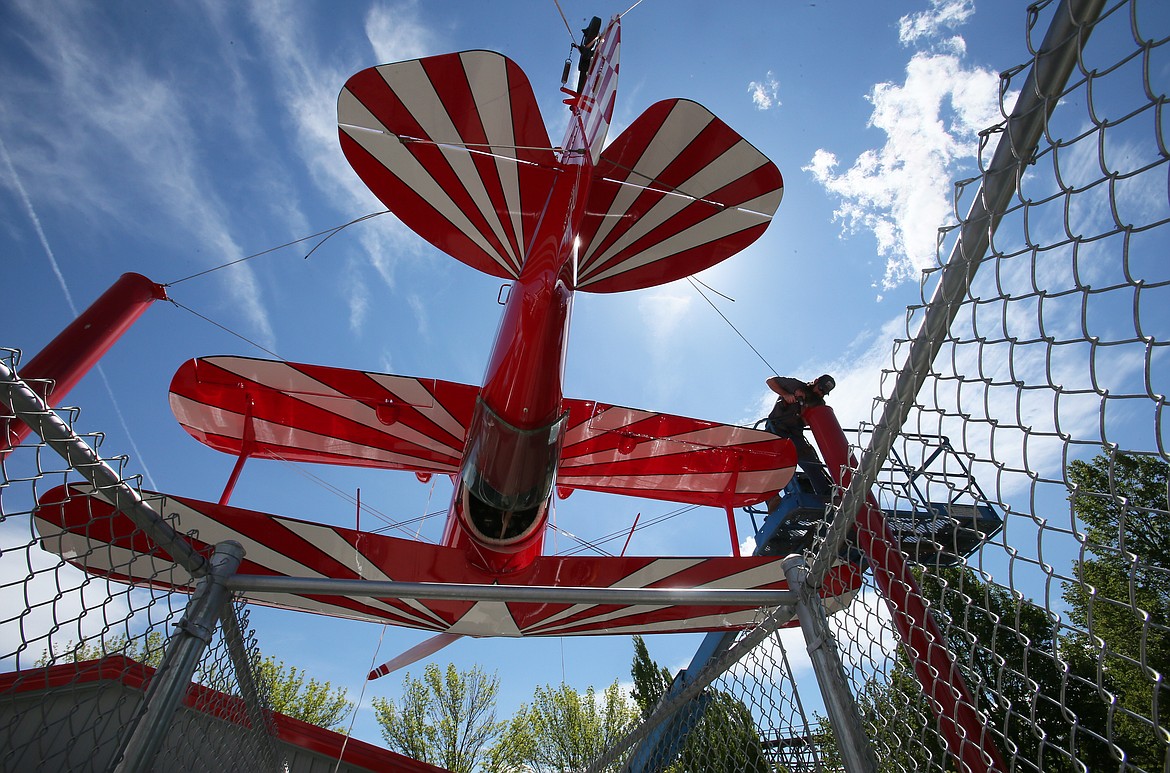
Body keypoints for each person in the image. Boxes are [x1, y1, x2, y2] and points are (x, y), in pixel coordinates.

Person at [765, 374, 836, 498]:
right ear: (816, 381)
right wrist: (786, 394)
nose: (820, 393)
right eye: (820, 389)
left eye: (824, 392)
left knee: (811, 462)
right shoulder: (796, 385)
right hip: (776, 429)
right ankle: (772, 500)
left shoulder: (818, 403)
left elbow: (809, 421)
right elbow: (770, 381)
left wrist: (805, 408)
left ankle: (826, 496)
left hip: (795, 435)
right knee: (772, 466)